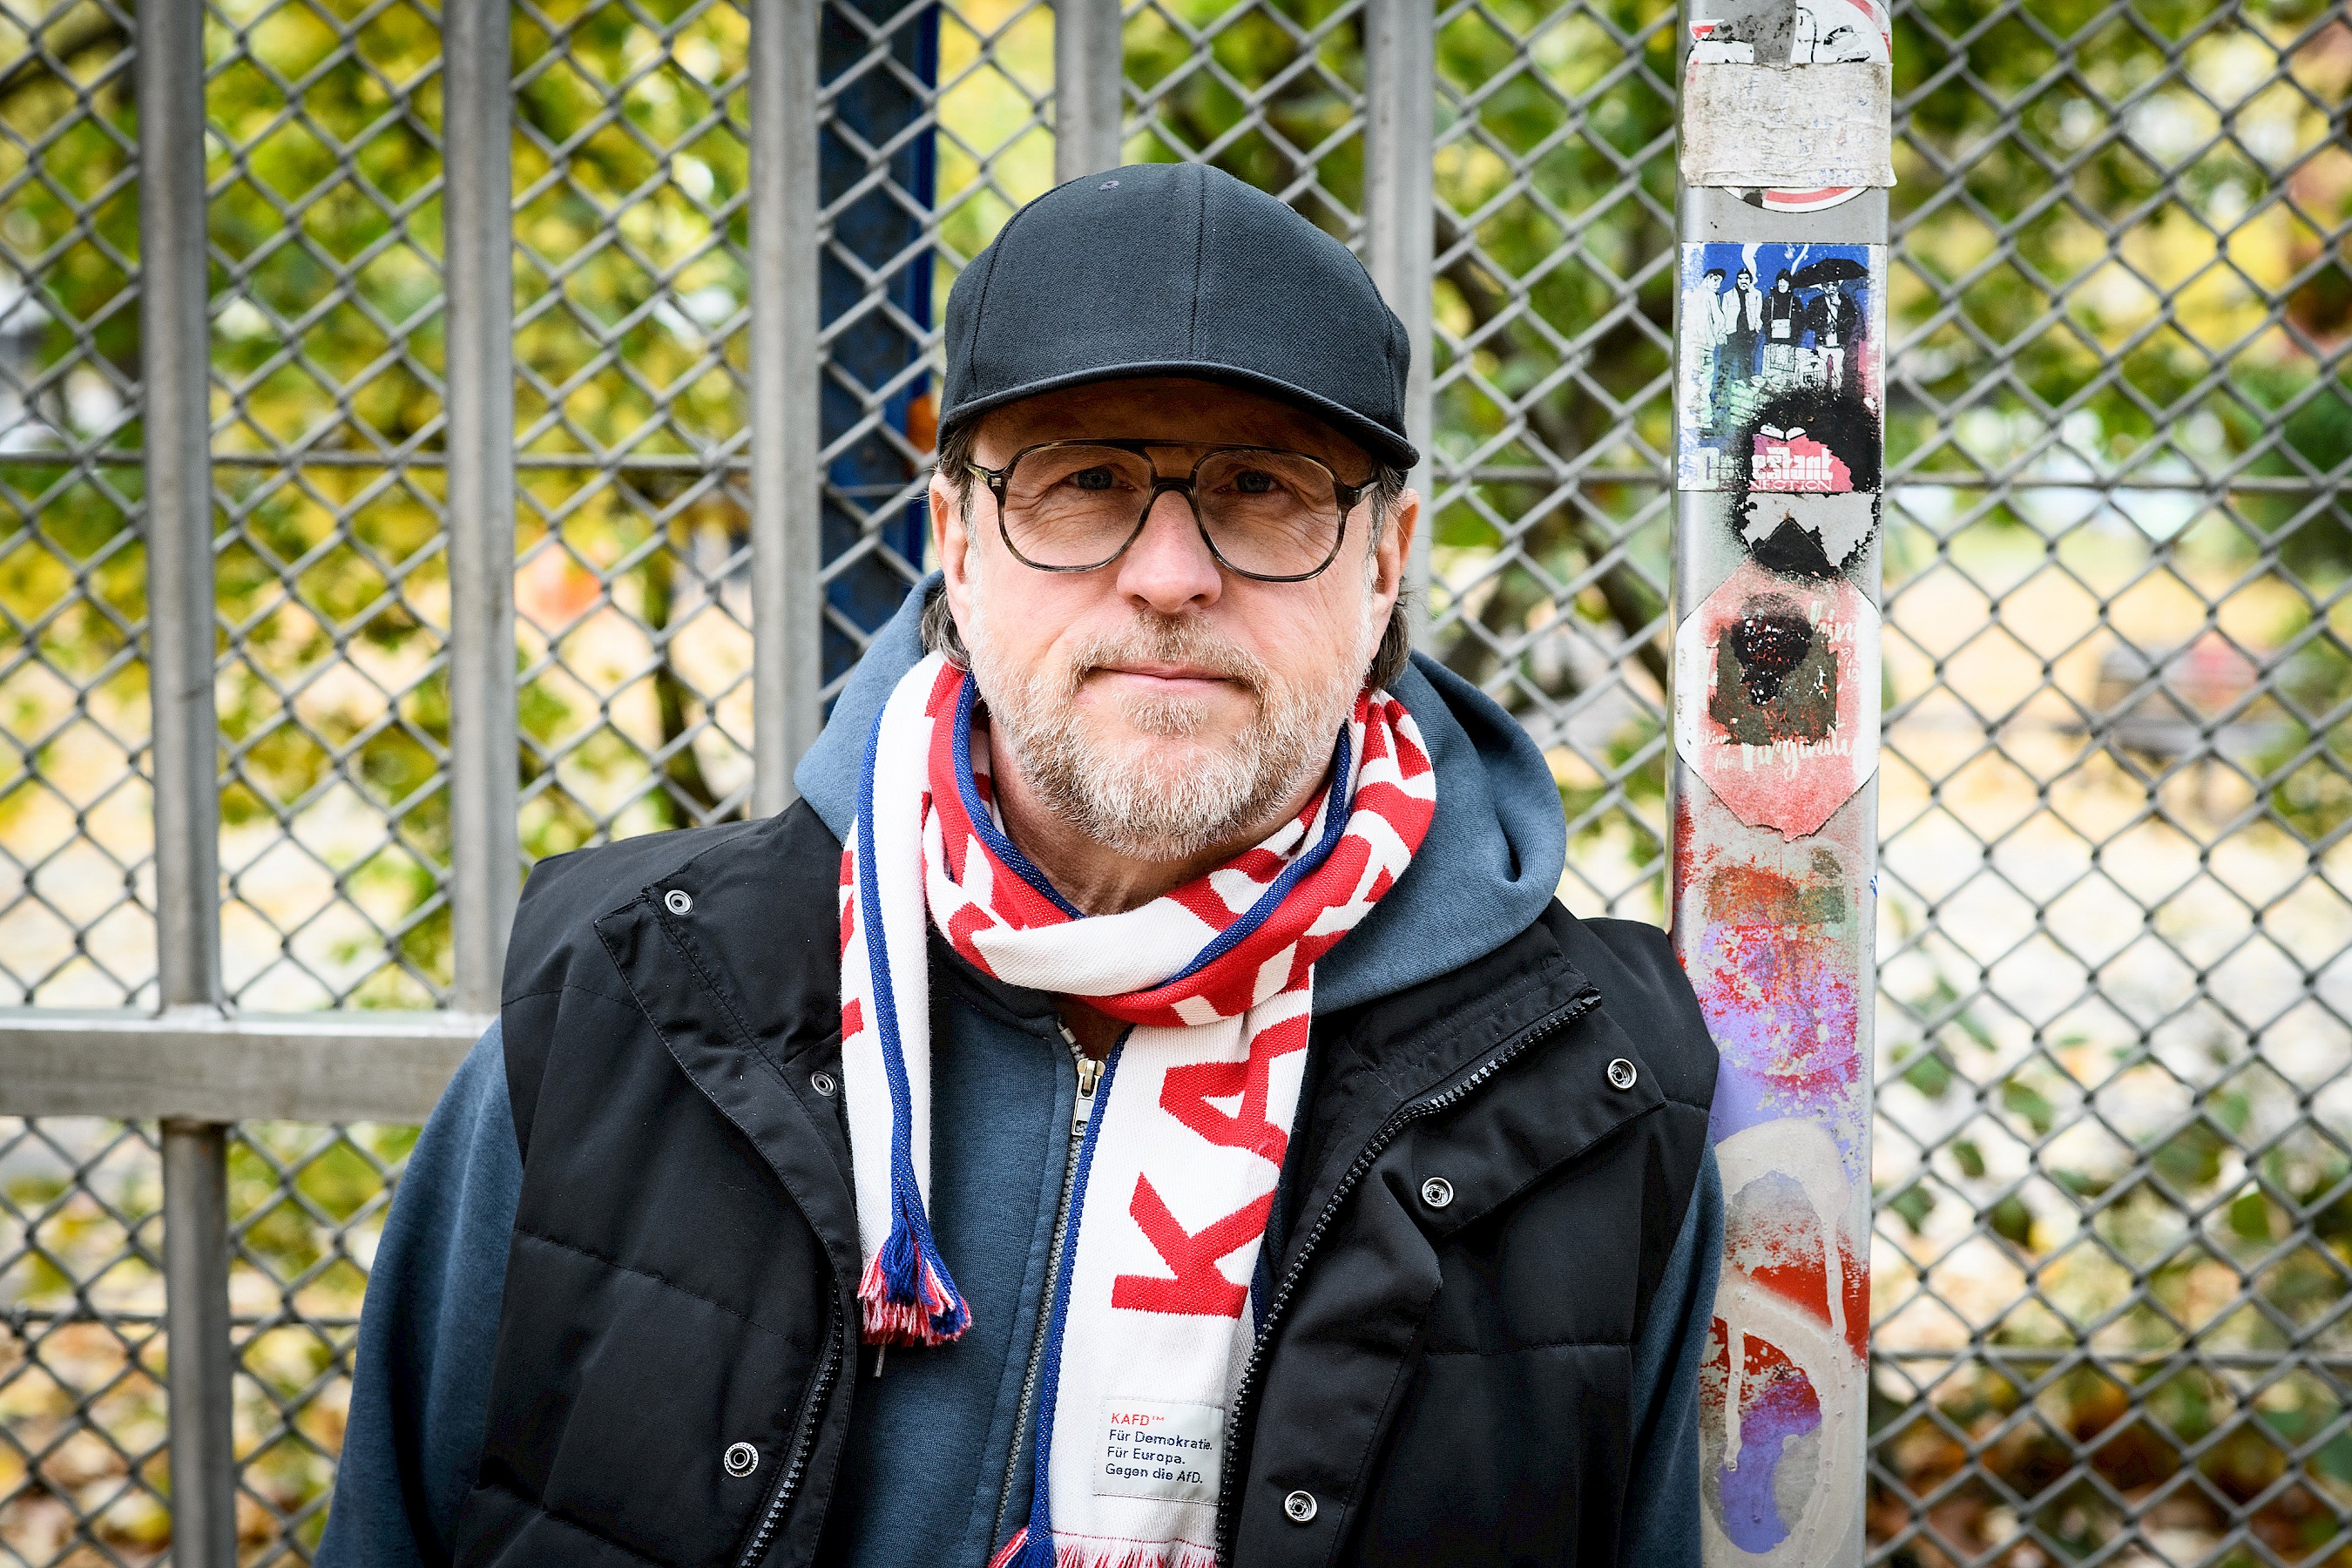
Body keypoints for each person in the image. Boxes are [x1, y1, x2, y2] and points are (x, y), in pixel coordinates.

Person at [319, 162, 1722, 1568]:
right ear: (956, 539)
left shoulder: (1589, 1102)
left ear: (1386, 561)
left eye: (1262, 488)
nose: (1170, 574)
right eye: (1085, 482)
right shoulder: (628, 1005)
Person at [1761, 269, 1802, 384]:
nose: (1782, 284)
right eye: (1779, 281)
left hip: (1789, 342)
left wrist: (1794, 337)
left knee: (1787, 373)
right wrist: (1769, 331)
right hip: (1772, 341)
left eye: (1785, 281)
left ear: (1789, 284)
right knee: (1770, 373)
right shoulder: (1769, 300)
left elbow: (1800, 322)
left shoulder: (1795, 301)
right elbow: (1764, 317)